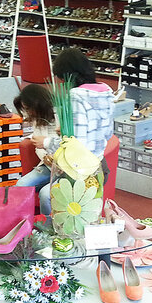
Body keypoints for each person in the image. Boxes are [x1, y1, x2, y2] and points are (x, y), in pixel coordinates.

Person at [30, 48, 114, 214]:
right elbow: (107, 133)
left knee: (47, 195)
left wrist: (46, 142)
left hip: (80, 169)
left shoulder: (76, 96)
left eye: (61, 78)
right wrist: (67, 130)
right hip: (99, 165)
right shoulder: (105, 93)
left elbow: (77, 145)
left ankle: (53, 228)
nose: (60, 83)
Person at [14, 84, 57, 196]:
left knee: (45, 194)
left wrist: (46, 144)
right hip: (48, 165)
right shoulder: (37, 119)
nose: (28, 113)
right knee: (20, 185)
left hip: (65, 167)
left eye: (28, 108)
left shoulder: (60, 116)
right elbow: (39, 142)